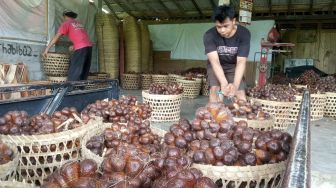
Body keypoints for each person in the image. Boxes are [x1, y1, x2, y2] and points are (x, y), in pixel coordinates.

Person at [203, 5, 251, 102]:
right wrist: (223, 83)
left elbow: (241, 61)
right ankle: (213, 115)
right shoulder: (209, 35)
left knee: (240, 94)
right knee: (214, 91)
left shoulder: (244, 34)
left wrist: (235, 85)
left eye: (226, 26)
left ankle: (240, 117)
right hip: (216, 66)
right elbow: (215, 62)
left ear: (234, 21)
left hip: (234, 66)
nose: (222, 30)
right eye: (219, 27)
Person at [43, 10, 92, 81]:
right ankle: (81, 89)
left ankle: (70, 90)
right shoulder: (79, 24)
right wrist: (74, 46)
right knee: (84, 71)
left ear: (65, 16)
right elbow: (83, 38)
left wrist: (46, 49)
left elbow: (56, 37)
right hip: (89, 47)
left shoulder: (66, 23)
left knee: (74, 71)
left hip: (81, 48)